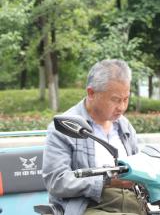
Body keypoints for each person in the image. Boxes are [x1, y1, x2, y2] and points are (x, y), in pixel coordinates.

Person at [42, 59, 147, 215]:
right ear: (91, 93)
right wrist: (106, 182)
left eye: (126, 99)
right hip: (90, 207)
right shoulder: (64, 127)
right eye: (116, 100)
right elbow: (56, 181)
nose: (122, 107)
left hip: (133, 204)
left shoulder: (124, 126)